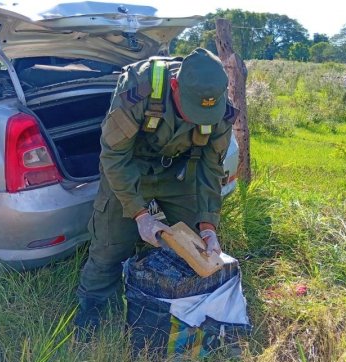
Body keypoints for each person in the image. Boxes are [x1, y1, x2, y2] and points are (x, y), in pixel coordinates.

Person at [74, 47, 239, 335]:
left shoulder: (219, 108)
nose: (198, 118)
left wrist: (208, 224)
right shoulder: (141, 85)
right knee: (109, 246)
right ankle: (93, 310)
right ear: (175, 85)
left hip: (178, 172)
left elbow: (211, 167)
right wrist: (140, 215)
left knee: (195, 247)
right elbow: (113, 156)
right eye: (192, 109)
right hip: (130, 167)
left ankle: (184, 309)